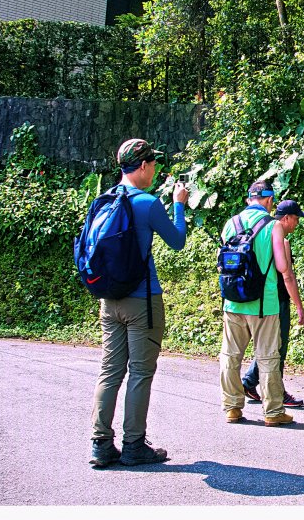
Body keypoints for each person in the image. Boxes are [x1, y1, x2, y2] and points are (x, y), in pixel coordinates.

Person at [90, 138, 188, 468]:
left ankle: (101, 444)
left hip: (108, 300)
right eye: (154, 164)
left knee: (110, 371)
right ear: (143, 166)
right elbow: (176, 241)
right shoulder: (147, 203)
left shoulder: (103, 200)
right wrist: (178, 204)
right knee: (141, 373)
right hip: (142, 300)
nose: (156, 169)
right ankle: (133, 445)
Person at [219, 181, 294, 427]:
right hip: (265, 304)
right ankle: (273, 412)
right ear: (270, 200)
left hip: (233, 302)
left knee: (231, 355)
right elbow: (283, 268)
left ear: (248, 198)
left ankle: (232, 408)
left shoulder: (231, 223)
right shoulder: (273, 225)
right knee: (268, 357)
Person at [241, 199, 304, 407]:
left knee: (268, 346)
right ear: (286, 218)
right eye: (296, 219)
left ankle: (249, 382)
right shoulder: (282, 240)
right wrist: (299, 306)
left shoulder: (260, 232)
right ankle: (273, 391)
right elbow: (287, 276)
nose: (297, 224)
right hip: (276, 301)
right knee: (278, 347)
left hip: (255, 299)